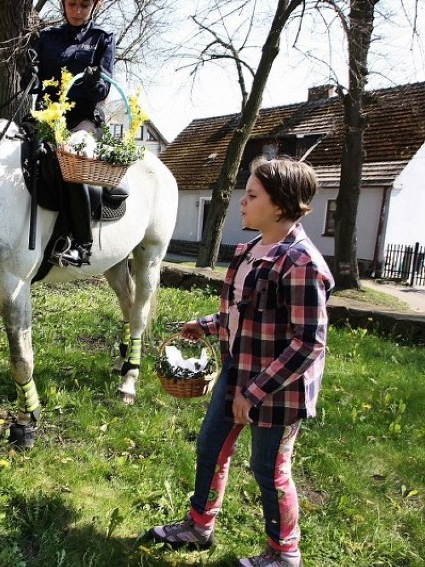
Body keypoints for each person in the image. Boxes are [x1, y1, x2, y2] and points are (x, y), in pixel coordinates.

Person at [146, 158, 335, 567]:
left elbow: (308, 343)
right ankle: (199, 526)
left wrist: (254, 392)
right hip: (237, 369)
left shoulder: (301, 264)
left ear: (281, 205)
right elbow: (243, 314)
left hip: (279, 388)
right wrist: (208, 326)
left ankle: (284, 553)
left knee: (268, 468)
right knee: (210, 448)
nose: (242, 203)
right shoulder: (249, 251)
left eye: (251, 196)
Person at [32, 0, 115, 267]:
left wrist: (93, 82)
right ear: (62, 4)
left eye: (84, 5)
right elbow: (35, 80)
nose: (77, 11)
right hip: (50, 117)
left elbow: (105, 89)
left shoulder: (101, 39)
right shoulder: (46, 39)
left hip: (83, 121)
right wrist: (30, 73)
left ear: (95, 5)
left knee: (70, 157)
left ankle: (81, 243)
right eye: (72, 4)